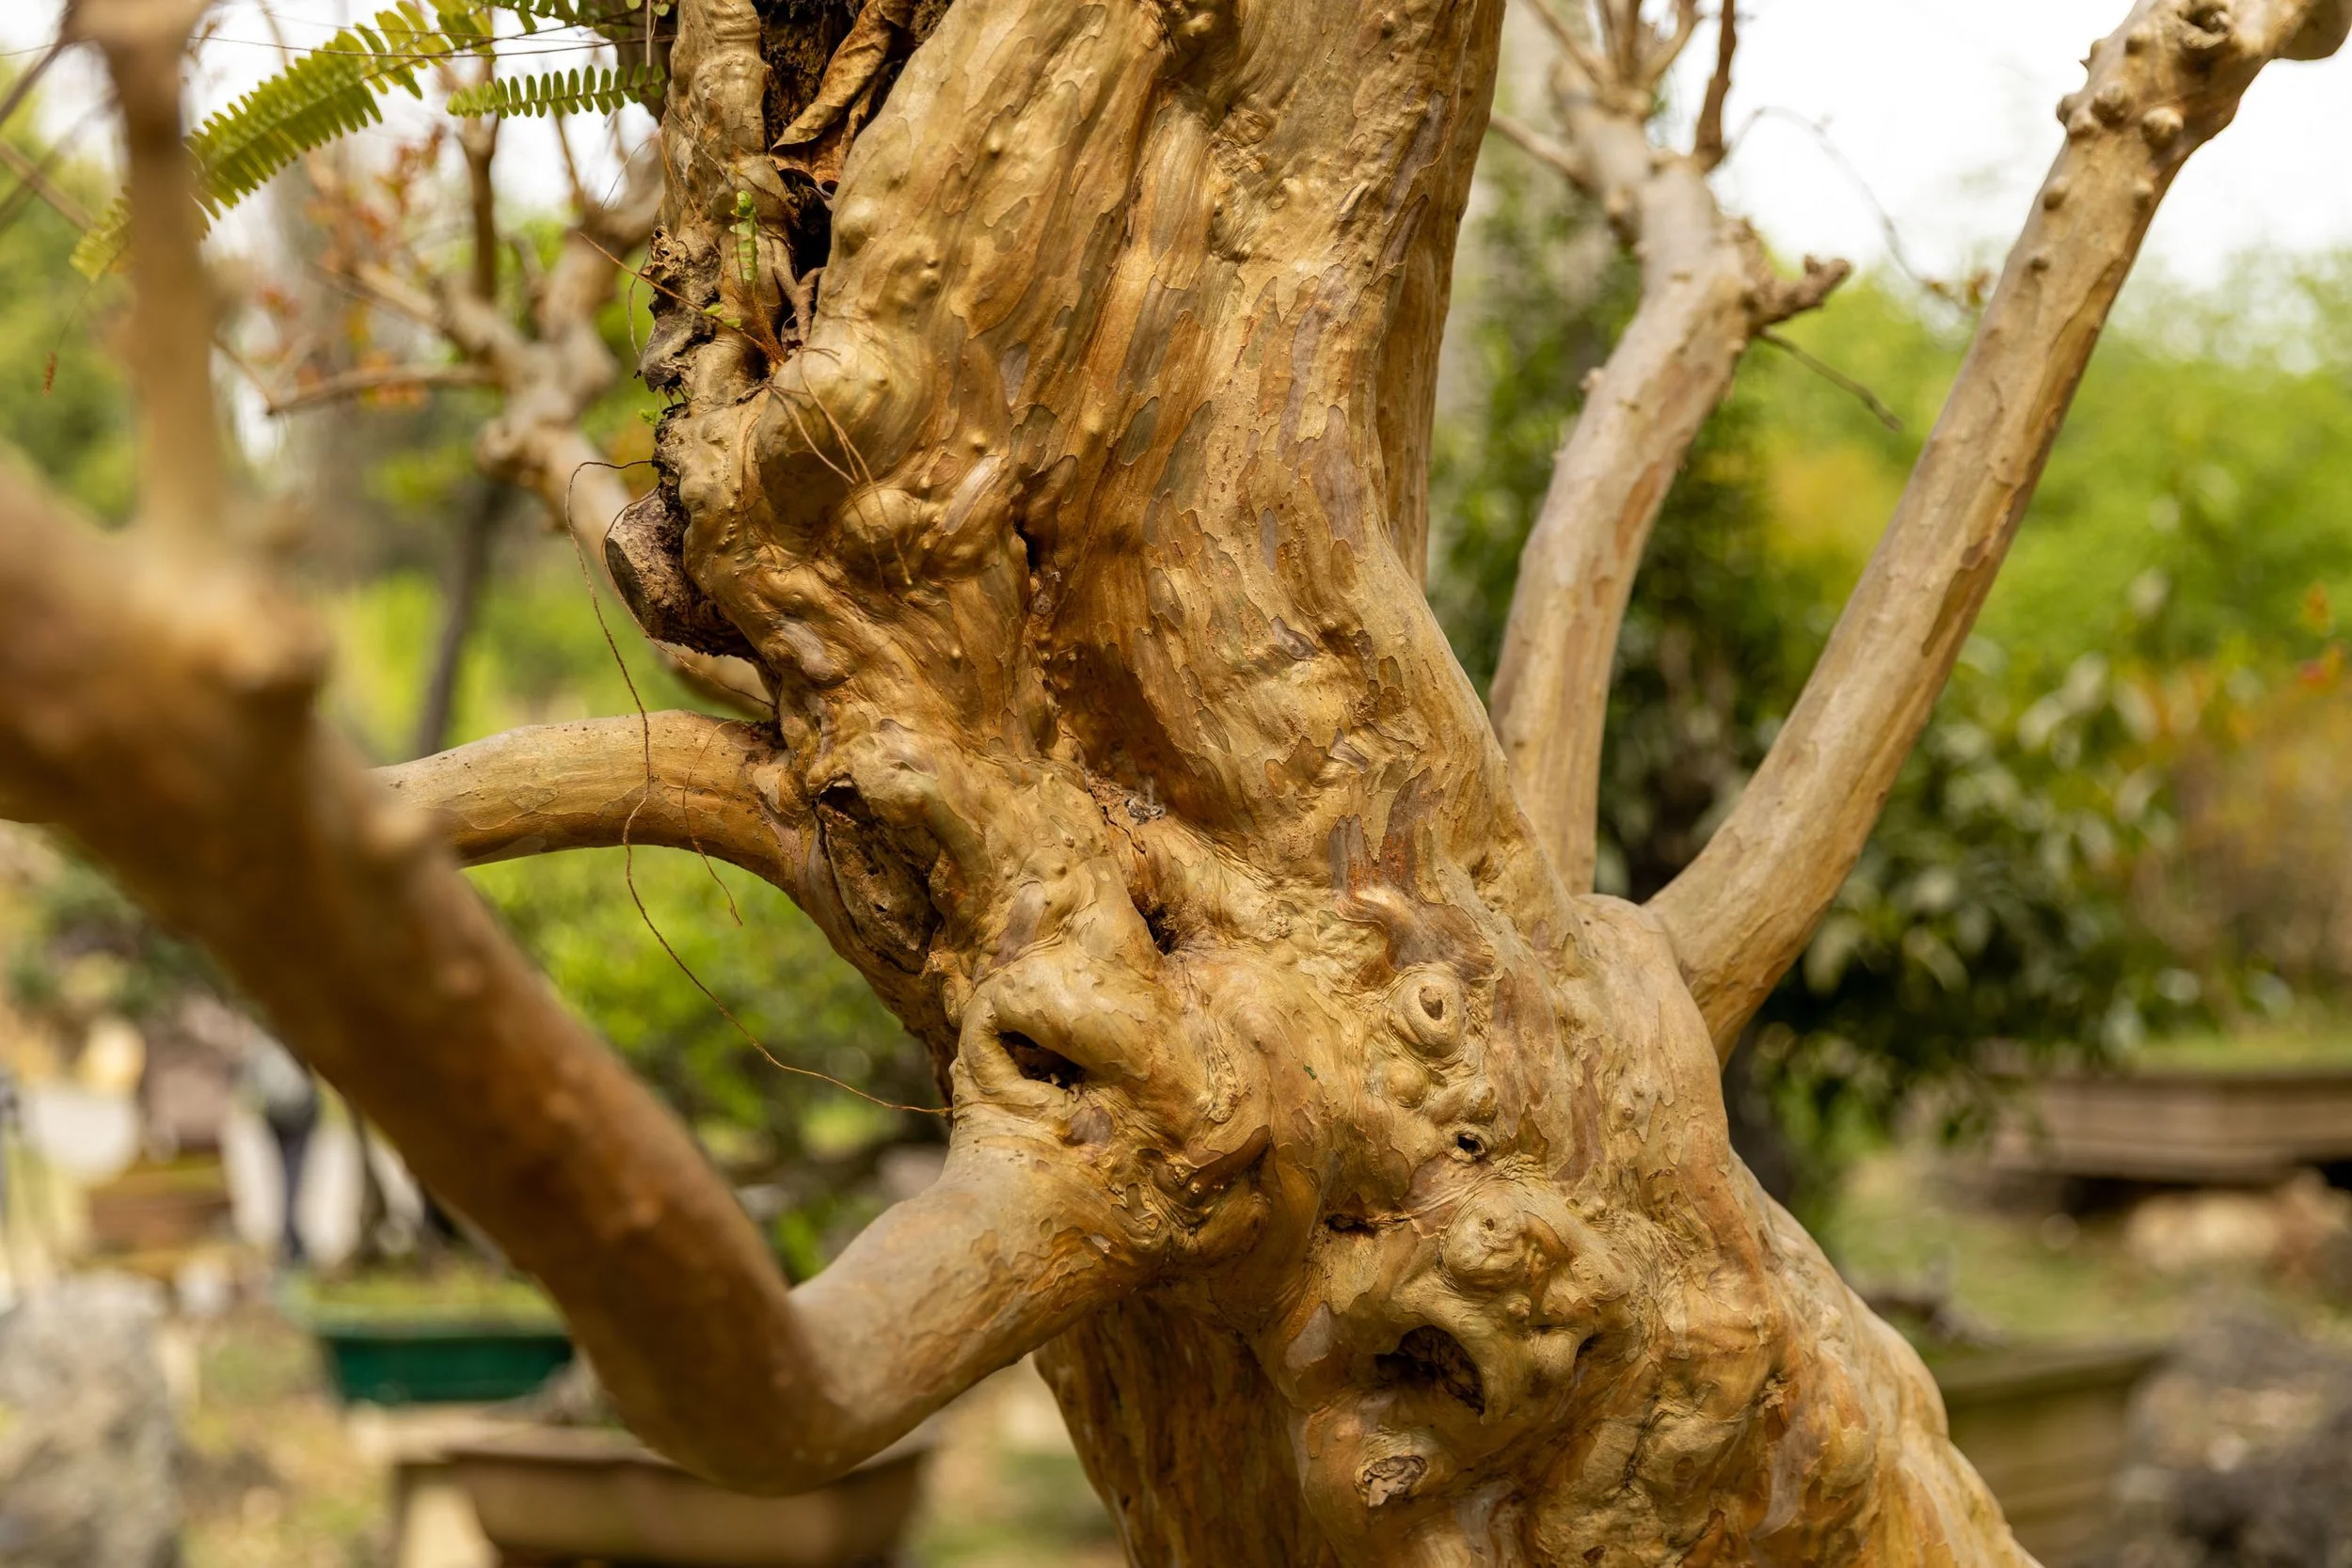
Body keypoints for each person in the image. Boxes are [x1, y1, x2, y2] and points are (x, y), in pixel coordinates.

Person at [238, 1030, 318, 1268]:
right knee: (293, 1170)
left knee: (285, 1171)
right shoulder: (295, 1035)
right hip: (298, 1111)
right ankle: (291, 1233)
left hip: (277, 1110)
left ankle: (289, 1232)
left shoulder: (265, 1036)